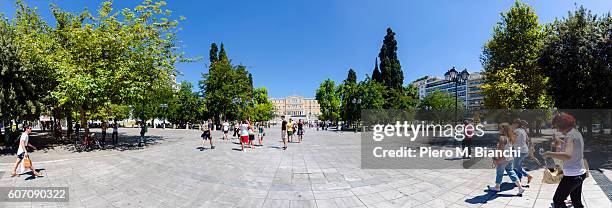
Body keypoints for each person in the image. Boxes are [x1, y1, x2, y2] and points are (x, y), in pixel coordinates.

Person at [543, 113, 587, 208]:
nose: (558, 130)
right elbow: (574, 148)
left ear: (563, 125)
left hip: (572, 176)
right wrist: (560, 142)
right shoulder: (576, 133)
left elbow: (567, 155)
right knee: (576, 201)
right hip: (580, 173)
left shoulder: (570, 136)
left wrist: (549, 153)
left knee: (557, 200)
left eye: (558, 127)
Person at [488, 123, 525, 195]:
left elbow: (501, 150)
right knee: (511, 172)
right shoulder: (510, 138)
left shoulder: (502, 138)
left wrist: (497, 160)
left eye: (500, 128)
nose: (499, 130)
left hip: (503, 158)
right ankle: (520, 187)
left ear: (504, 129)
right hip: (510, 158)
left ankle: (497, 187)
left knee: (499, 173)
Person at [512, 119, 533, 184]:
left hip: (519, 151)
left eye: (514, 123)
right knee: (519, 165)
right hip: (524, 150)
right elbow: (526, 140)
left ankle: (528, 175)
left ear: (517, 124)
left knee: (515, 166)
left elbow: (513, 140)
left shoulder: (516, 131)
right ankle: (519, 180)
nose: (512, 124)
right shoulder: (523, 130)